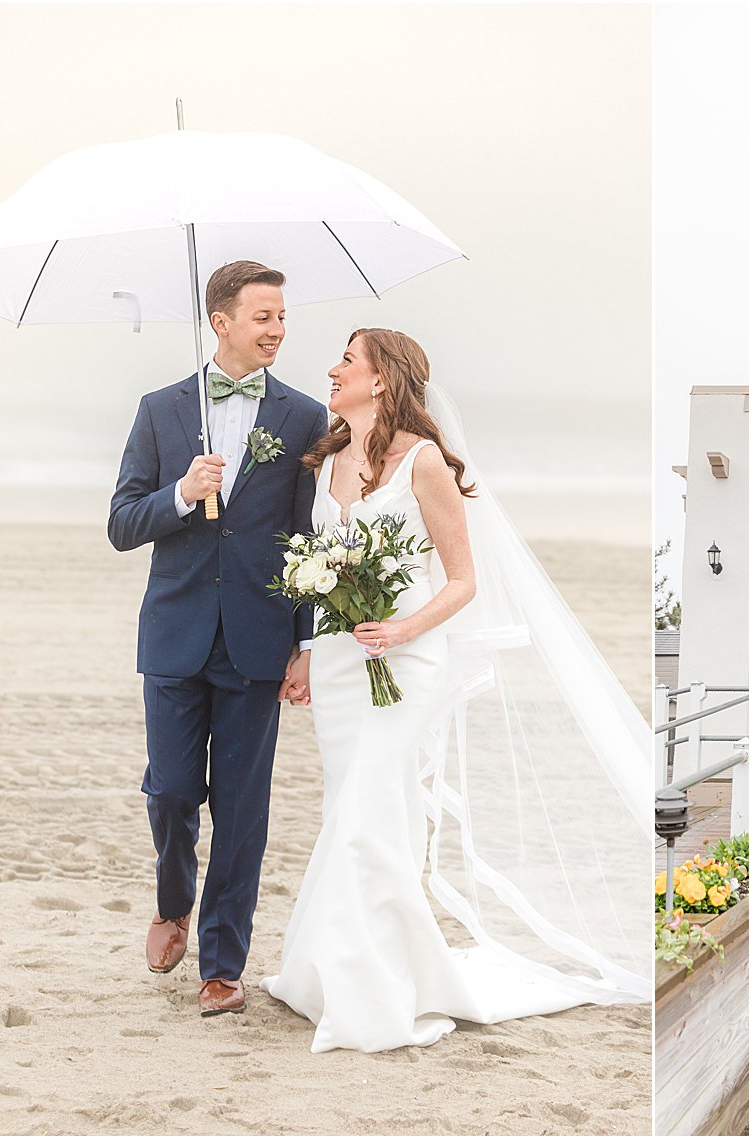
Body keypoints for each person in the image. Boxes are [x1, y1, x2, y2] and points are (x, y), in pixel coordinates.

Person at [260, 328, 648, 1053]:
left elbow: (463, 580)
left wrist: (405, 629)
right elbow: (320, 571)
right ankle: (340, 974)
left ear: (380, 380)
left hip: (407, 666)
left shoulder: (425, 461)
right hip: (345, 667)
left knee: (368, 814)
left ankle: (370, 992)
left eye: (347, 359)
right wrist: (311, 648)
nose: (333, 369)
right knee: (360, 808)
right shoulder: (326, 462)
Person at [107, 260, 328, 1017]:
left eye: (282, 317)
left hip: (259, 640)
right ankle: (173, 900)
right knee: (170, 790)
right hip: (173, 634)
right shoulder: (161, 411)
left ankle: (223, 962)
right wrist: (181, 494)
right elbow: (121, 523)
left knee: (242, 806)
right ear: (221, 321)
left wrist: (305, 643)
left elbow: (306, 539)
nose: (277, 329)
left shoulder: (303, 417)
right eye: (263, 316)